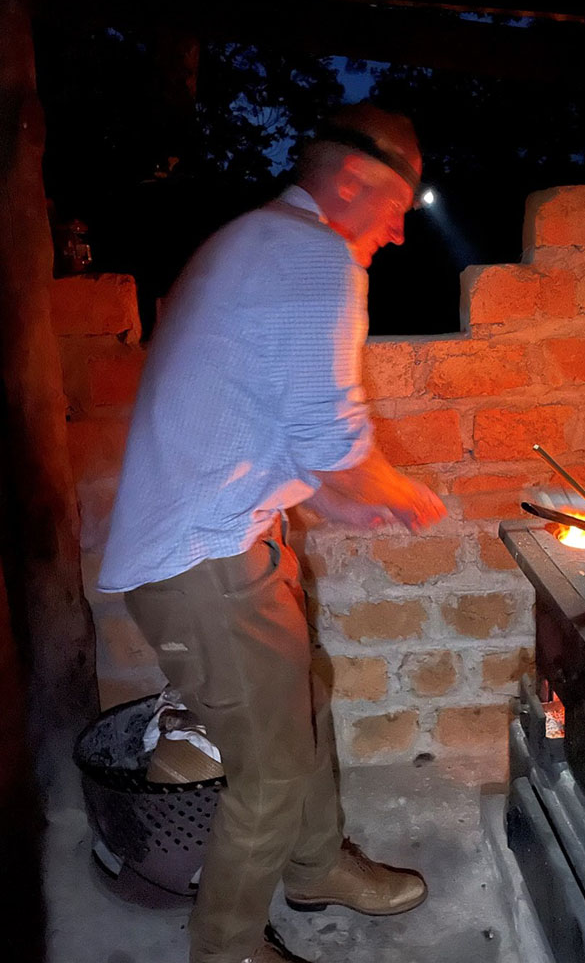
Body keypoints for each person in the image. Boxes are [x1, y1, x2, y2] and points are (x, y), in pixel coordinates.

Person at [98, 102, 447, 963]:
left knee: (305, 705)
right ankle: (226, 947)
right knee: (271, 767)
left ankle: (317, 866)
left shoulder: (260, 239)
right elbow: (333, 435)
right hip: (203, 563)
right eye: (398, 209)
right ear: (352, 179)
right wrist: (400, 491)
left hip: (225, 542)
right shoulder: (313, 252)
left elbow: (272, 427)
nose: (399, 235)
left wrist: (336, 502)